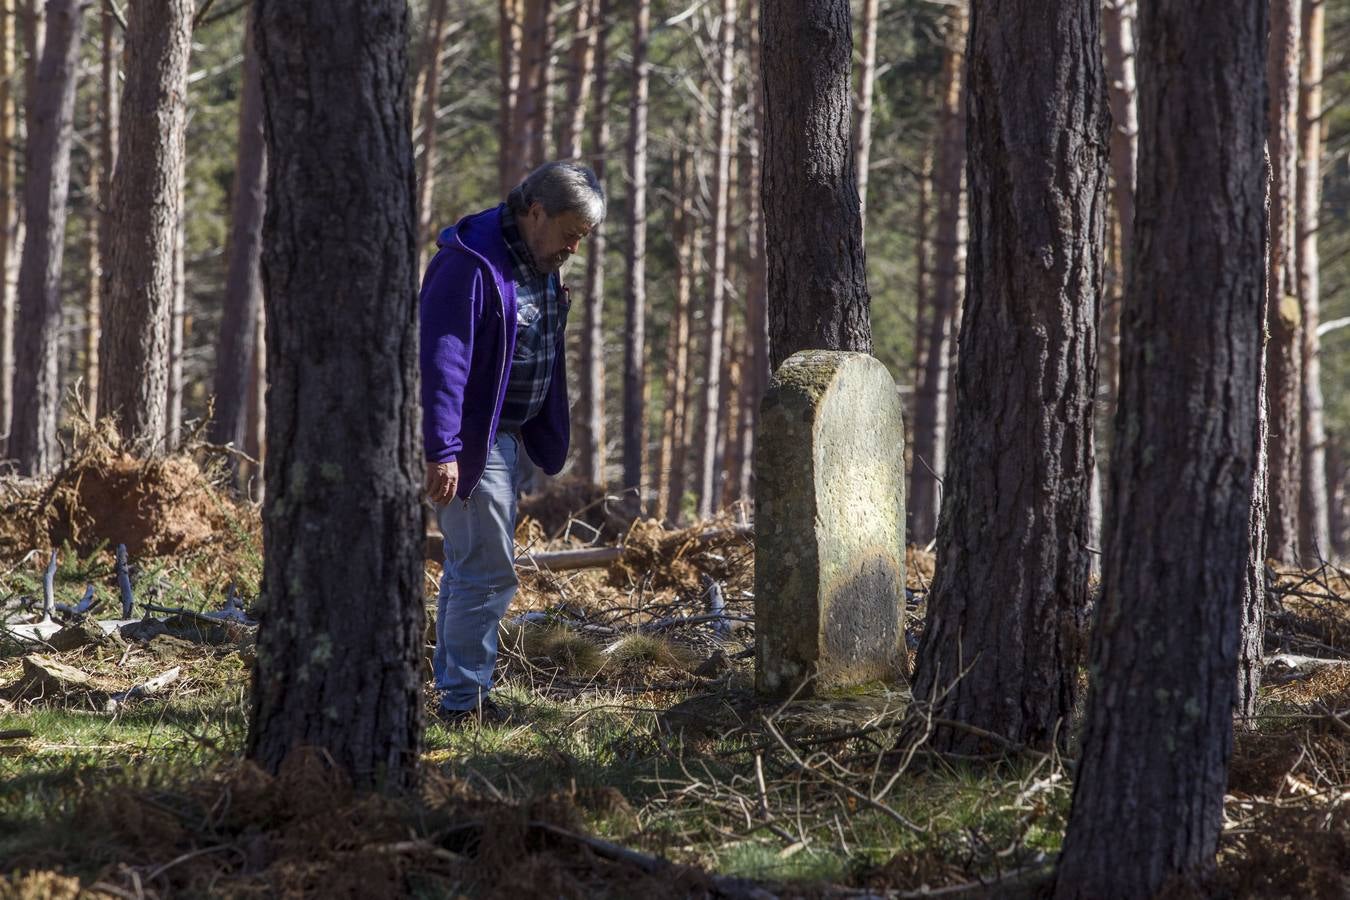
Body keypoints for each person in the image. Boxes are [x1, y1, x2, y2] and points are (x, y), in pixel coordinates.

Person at [420, 162, 606, 726]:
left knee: (467, 563)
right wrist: (444, 448)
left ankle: (456, 690)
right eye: (570, 232)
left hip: (507, 438)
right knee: (489, 569)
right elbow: (443, 361)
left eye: (583, 238)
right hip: (473, 442)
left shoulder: (538, 262)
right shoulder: (468, 264)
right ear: (535, 212)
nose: (574, 247)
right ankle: (465, 704)